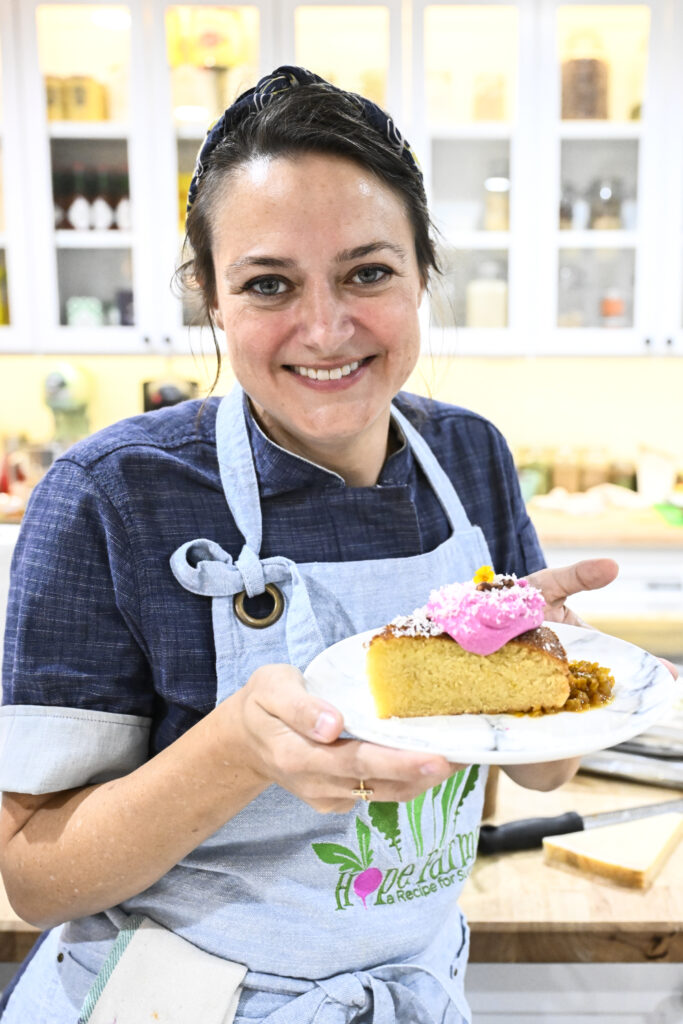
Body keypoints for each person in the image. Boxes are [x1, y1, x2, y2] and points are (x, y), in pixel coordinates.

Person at [0, 66, 630, 1023]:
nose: (326, 328)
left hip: (410, 990)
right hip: (178, 1005)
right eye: (268, 284)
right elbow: (37, 882)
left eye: (367, 272)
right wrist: (236, 750)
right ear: (209, 295)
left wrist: (559, 674)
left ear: (423, 269)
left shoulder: (467, 457)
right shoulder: (112, 498)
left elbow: (536, 768)